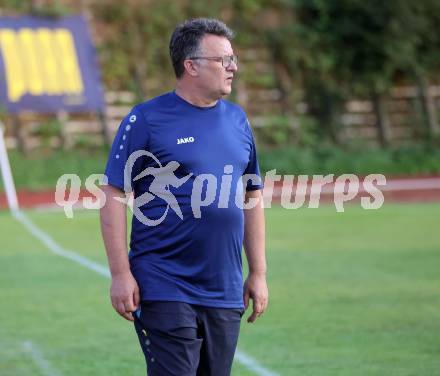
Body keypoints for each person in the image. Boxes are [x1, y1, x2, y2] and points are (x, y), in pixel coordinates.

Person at [100, 18, 268, 376]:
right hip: (163, 283)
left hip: (224, 288)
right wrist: (119, 273)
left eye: (233, 58)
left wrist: (259, 272)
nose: (233, 67)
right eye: (223, 59)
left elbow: (252, 196)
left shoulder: (238, 121)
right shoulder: (145, 119)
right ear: (190, 66)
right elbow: (113, 193)